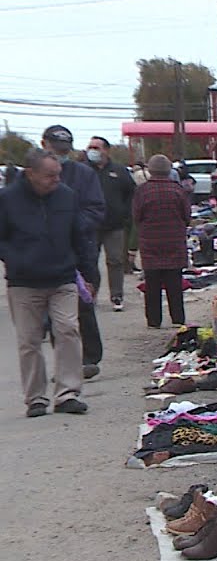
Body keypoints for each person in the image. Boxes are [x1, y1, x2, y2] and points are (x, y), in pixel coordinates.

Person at [0, 149, 97, 417]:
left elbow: (80, 236)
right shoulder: (7, 199)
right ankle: (36, 398)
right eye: (49, 175)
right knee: (29, 340)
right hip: (24, 282)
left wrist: (88, 275)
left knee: (67, 329)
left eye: (58, 174)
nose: (56, 179)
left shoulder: (66, 196)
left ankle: (67, 393)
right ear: (30, 174)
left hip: (63, 277)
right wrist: (15, 258)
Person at [42, 125, 106, 380]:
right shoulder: (31, 175)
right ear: (44, 144)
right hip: (44, 254)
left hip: (79, 250)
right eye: (56, 149)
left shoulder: (83, 174)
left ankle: (90, 357)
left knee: (83, 305)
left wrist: (69, 226)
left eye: (64, 150)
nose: (60, 154)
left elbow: (95, 210)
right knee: (55, 313)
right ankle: (66, 362)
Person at [133, 155, 190, 328]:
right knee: (174, 282)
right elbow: (186, 216)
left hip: (150, 242)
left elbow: (136, 216)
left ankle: (154, 320)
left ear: (150, 170)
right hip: (174, 241)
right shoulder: (178, 190)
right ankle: (178, 318)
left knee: (152, 284)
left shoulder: (142, 191)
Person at [84, 136, 136, 312]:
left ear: (106, 150)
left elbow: (131, 194)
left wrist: (126, 215)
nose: (92, 151)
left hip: (115, 225)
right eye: (90, 147)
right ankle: (90, 295)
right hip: (89, 226)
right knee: (89, 261)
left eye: (96, 148)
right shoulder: (83, 170)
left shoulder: (119, 171)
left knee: (115, 261)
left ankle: (116, 296)